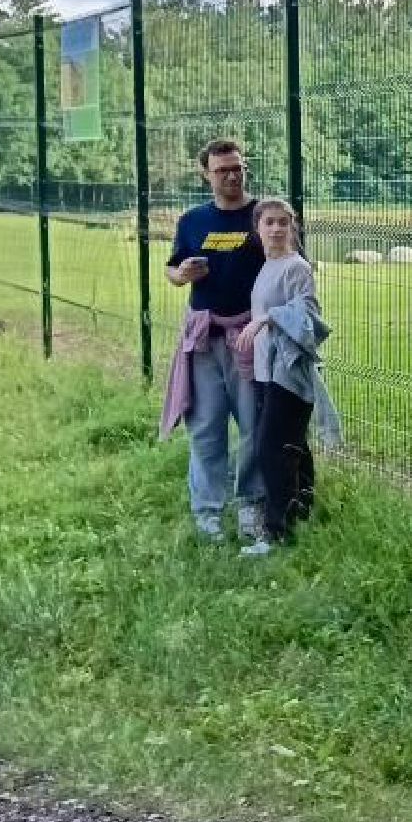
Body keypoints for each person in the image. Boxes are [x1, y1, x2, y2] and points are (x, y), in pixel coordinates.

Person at [157, 139, 266, 543]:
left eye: (238, 167)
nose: (233, 175)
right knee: (205, 427)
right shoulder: (192, 221)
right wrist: (181, 274)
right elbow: (171, 270)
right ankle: (208, 515)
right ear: (206, 174)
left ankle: (252, 508)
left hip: (251, 339)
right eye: (222, 170)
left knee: (254, 425)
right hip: (204, 340)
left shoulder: (263, 215)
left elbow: (292, 261)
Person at [235, 199, 342, 556]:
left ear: (292, 226)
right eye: (270, 223)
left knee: (271, 449)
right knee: (292, 446)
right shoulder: (269, 265)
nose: (277, 229)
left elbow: (310, 313)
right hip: (268, 370)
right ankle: (301, 514)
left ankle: (275, 532)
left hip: (289, 370)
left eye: (284, 222)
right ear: (258, 228)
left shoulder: (296, 267)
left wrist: (267, 319)